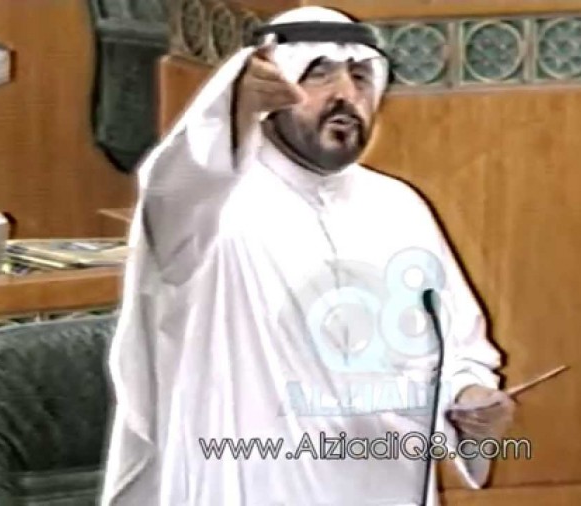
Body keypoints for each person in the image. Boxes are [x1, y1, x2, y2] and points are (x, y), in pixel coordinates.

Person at [101, 6, 515, 506]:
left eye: (359, 77)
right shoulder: (214, 207)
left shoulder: (400, 207)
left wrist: (472, 400)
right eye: (319, 73)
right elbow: (175, 183)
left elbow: (458, 346)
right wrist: (231, 105)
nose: (345, 94)